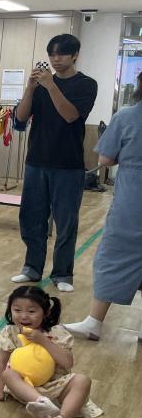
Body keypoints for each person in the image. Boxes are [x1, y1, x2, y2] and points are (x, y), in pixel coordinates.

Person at [12, 34, 97, 292]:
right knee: (31, 217)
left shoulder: (86, 84)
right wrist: (30, 88)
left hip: (68, 165)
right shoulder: (40, 84)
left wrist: (50, 86)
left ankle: (62, 273)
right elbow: (20, 119)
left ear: (75, 55)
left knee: (66, 221)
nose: (55, 59)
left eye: (61, 54)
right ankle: (32, 267)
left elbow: (70, 116)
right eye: (52, 54)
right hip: (36, 161)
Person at [66, 72, 142, 341]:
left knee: (115, 254)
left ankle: (94, 322)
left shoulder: (127, 116)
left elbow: (106, 159)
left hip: (133, 198)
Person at [0, 287, 100, 418]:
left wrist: (43, 340)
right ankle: (42, 402)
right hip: (26, 389)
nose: (24, 316)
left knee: (83, 380)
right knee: (8, 374)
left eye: (31, 311)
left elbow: (67, 363)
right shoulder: (11, 332)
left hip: (57, 388)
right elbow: (1, 362)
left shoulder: (57, 332)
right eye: (17, 310)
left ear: (46, 312)